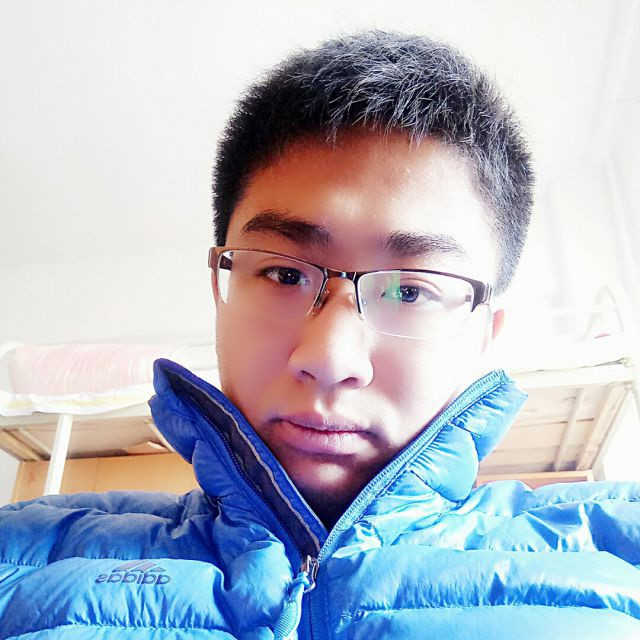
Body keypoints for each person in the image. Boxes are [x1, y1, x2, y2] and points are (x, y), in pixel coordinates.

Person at [1, 30, 639, 639]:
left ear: (482, 336)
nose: (330, 360)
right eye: (283, 273)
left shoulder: (619, 545)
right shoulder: (16, 557)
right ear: (219, 291)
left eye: (410, 290)